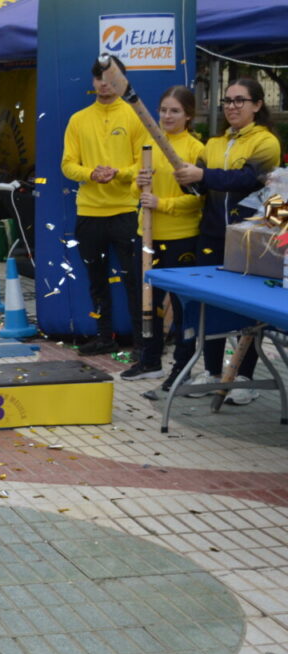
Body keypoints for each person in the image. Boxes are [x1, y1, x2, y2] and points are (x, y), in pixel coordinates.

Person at [171, 77, 281, 405]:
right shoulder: (213, 144)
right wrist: (185, 180)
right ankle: (211, 371)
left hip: (252, 237)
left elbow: (246, 180)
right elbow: (200, 187)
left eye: (239, 100)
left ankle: (244, 377)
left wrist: (203, 175)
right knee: (210, 304)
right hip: (212, 234)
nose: (232, 107)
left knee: (249, 308)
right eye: (227, 101)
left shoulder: (266, 142)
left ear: (257, 105)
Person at [60, 56, 148, 356]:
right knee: (96, 281)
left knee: (133, 280)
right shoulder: (78, 119)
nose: (104, 84)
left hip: (126, 211)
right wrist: (91, 174)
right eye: (99, 78)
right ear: (93, 81)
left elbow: (145, 164)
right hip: (89, 213)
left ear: (122, 80)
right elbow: (67, 165)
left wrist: (118, 173)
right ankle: (104, 336)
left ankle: (142, 342)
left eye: (111, 79)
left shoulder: (135, 116)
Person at [122, 86, 203, 387]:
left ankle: (182, 367)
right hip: (146, 236)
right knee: (147, 301)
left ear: (188, 115)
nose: (167, 116)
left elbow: (198, 199)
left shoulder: (196, 149)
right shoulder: (149, 144)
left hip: (181, 237)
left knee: (181, 305)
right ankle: (150, 360)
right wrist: (139, 183)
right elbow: (136, 192)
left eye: (175, 111)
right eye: (164, 110)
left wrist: (162, 204)